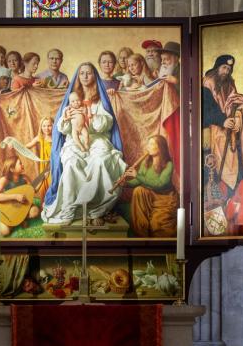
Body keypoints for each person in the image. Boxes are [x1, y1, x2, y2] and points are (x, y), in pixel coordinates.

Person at [42, 62, 127, 226]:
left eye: (89, 73)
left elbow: (107, 123)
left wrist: (93, 118)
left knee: (101, 161)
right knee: (71, 163)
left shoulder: (100, 100)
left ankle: (96, 209)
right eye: (82, 73)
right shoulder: (73, 98)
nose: (85, 76)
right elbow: (63, 128)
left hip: (96, 139)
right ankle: (69, 208)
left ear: (94, 76)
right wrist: (66, 119)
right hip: (74, 140)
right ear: (78, 77)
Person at [201, 55, 243, 193]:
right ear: (217, 67)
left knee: (234, 154)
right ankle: (223, 190)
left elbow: (234, 102)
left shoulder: (229, 84)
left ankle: (232, 191)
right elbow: (207, 109)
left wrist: (237, 118)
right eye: (224, 67)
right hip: (214, 127)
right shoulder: (208, 83)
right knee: (218, 161)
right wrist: (223, 120)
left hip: (229, 125)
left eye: (229, 69)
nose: (226, 71)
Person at [123, 134, 177, 237]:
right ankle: (140, 232)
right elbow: (138, 181)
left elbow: (159, 184)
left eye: (152, 144)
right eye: (148, 144)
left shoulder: (168, 164)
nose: (148, 147)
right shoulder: (146, 162)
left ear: (160, 147)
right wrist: (125, 183)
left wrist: (137, 175)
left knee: (157, 226)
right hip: (149, 196)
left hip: (165, 199)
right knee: (138, 190)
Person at [0, 157, 41, 236]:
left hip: (22, 206)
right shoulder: (4, 179)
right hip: (9, 209)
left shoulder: (24, 177)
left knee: (35, 211)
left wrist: (42, 179)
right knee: (5, 232)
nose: (22, 164)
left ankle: (20, 219)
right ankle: (16, 221)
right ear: (12, 169)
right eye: (20, 163)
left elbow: (33, 190)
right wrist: (15, 196)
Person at [25, 116, 54, 200]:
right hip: (44, 167)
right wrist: (14, 145)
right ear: (41, 127)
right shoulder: (40, 138)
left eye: (49, 125)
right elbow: (27, 146)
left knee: (53, 183)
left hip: (54, 166)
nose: (46, 128)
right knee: (43, 186)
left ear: (53, 125)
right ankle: (44, 208)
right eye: (44, 126)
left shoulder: (56, 138)